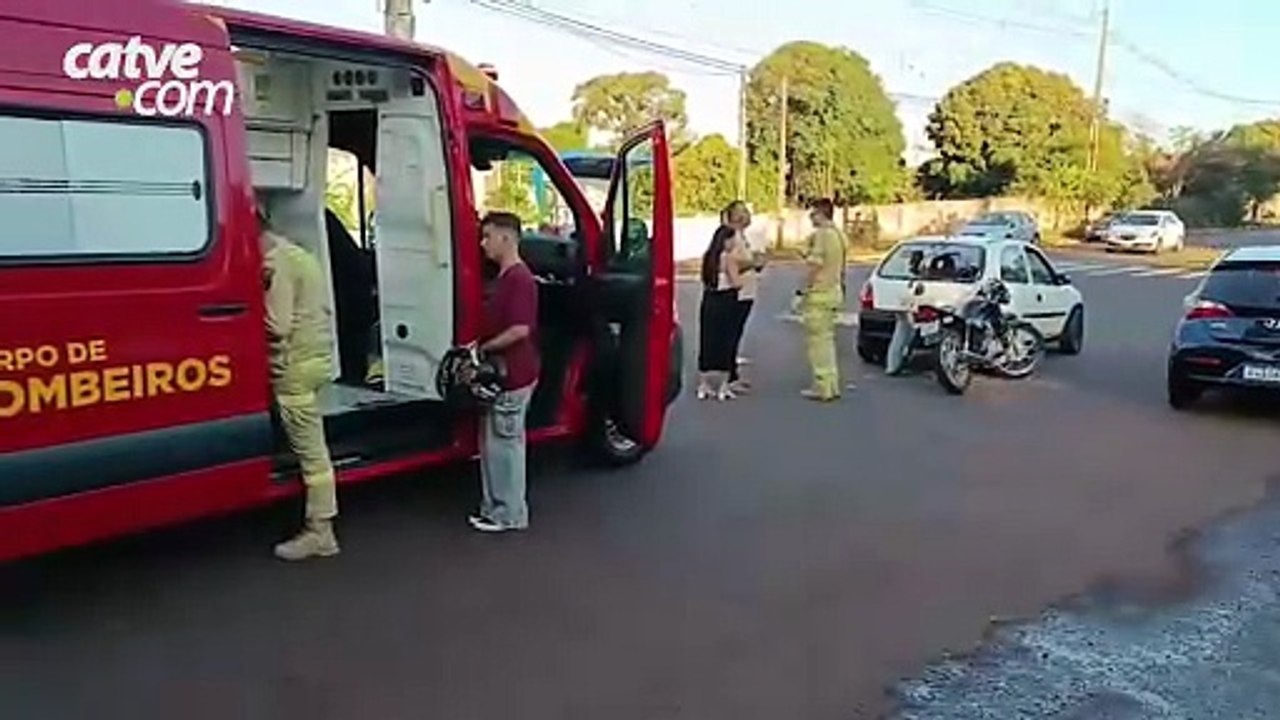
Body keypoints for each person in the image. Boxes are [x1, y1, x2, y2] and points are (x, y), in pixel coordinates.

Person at [261, 205, 341, 561]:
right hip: (316, 360)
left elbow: (277, 326)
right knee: (313, 448)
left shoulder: (277, 264)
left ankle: (320, 531)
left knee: (312, 455)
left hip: (293, 368)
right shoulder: (301, 256)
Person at [471, 211, 540, 532]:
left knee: (505, 445)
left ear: (506, 238)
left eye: (487, 236)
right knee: (497, 442)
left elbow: (520, 329)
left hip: (513, 374)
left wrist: (483, 349)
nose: (483, 244)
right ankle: (496, 507)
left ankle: (508, 513)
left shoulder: (519, 279)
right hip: (506, 375)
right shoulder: (505, 278)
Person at [797, 197, 848, 402]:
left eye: (813, 213)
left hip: (819, 292)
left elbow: (815, 265)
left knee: (817, 343)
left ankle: (821, 386)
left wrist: (802, 290)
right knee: (827, 341)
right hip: (834, 290)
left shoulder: (822, 235)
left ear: (821, 213)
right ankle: (831, 383)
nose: (810, 217)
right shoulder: (839, 235)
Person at [695, 224, 743, 400]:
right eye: (732, 239)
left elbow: (705, 279)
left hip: (709, 299)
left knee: (707, 340)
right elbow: (736, 282)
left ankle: (703, 384)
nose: (734, 243)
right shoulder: (728, 258)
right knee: (725, 341)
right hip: (726, 300)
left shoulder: (708, 257)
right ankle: (723, 386)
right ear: (726, 240)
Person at [721, 200, 763, 394]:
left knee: (736, 333)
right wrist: (752, 263)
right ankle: (727, 376)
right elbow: (728, 265)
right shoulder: (730, 237)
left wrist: (757, 264)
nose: (747, 215)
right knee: (730, 333)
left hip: (746, 291)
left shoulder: (742, 237)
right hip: (736, 292)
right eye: (742, 212)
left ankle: (733, 374)